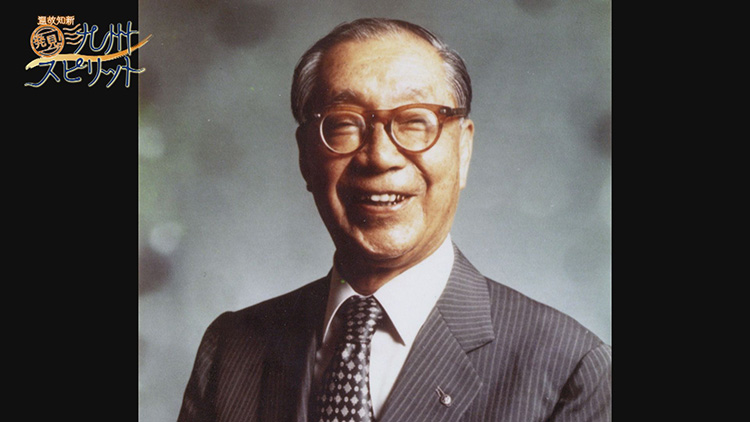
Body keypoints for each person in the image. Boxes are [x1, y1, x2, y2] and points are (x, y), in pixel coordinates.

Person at [176, 18, 611, 422]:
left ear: (463, 151)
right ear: (306, 156)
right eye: (344, 124)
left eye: (415, 122)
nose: (380, 156)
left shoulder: (570, 370)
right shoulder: (230, 349)